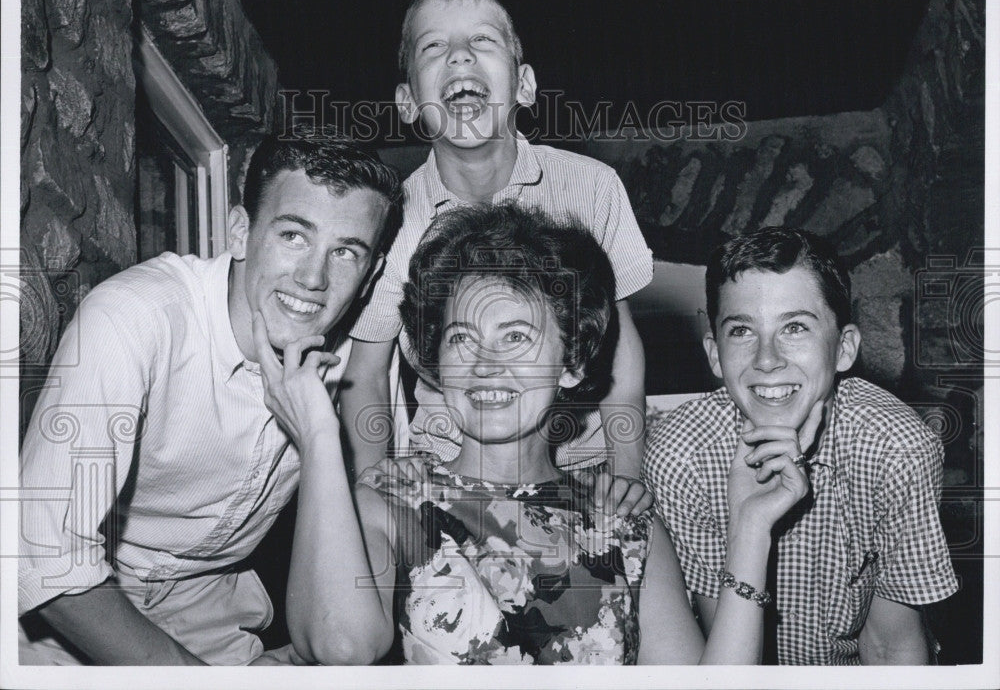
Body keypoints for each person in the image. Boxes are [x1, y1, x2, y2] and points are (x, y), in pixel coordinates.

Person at [260, 204, 811, 665]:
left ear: (571, 363)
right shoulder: (389, 502)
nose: (484, 365)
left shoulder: (626, 525)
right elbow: (338, 646)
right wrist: (318, 440)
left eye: (516, 337)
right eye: (460, 339)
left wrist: (751, 532)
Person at [17, 128, 403, 665]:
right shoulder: (136, 317)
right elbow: (40, 557)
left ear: (369, 276)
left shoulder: (347, 371)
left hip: (211, 601)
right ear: (241, 232)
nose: (314, 277)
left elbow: (348, 624)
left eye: (345, 252)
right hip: (80, 600)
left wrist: (319, 431)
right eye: (294, 236)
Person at [340, 0, 653, 499]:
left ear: (524, 86)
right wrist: (371, 495)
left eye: (483, 41)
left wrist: (626, 478)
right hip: (449, 467)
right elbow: (366, 375)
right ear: (408, 102)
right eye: (434, 46)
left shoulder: (592, 187)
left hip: (583, 461)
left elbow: (621, 346)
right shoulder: (390, 222)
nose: (460, 56)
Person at [643, 226, 959, 665]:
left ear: (844, 348)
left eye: (794, 327)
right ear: (715, 354)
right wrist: (748, 525)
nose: (767, 359)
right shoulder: (680, 453)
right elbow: (729, 650)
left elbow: (892, 645)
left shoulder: (898, 450)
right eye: (741, 331)